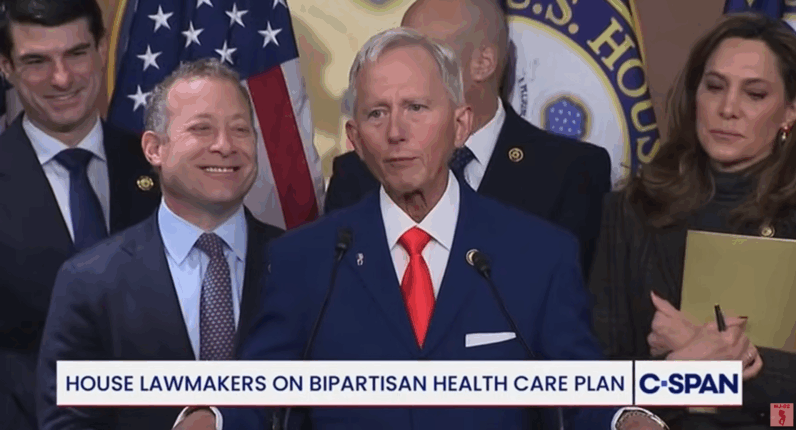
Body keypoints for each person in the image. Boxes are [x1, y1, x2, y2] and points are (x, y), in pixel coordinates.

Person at [175, 28, 667, 430]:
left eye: (416, 107)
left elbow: (583, 392)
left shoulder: (537, 254)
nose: (395, 131)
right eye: (376, 113)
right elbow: (257, 395)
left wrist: (627, 418)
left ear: (460, 124)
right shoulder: (304, 261)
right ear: (355, 140)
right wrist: (210, 417)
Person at [36, 58, 284, 430]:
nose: (225, 145)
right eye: (202, 129)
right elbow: (69, 423)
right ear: (154, 149)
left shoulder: (304, 265)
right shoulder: (89, 282)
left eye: (240, 130)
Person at [589, 13, 796, 430]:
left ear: (791, 110)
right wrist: (682, 367)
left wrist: (718, 356)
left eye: (754, 94)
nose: (727, 109)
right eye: (715, 87)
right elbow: (599, 372)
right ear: (694, 94)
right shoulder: (630, 210)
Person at [323, 0, 611, 277]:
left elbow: (572, 306)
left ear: (483, 63)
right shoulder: (358, 173)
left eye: (426, 53)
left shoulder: (571, 172)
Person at [0, 1, 160, 429]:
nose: (62, 78)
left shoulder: (160, 168)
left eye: (76, 53)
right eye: (36, 61)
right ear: (6, 66)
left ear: (102, 49)